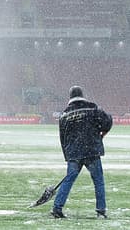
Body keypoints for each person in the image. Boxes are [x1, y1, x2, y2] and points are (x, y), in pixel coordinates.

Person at [34, 85, 112, 219]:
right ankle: (101, 211)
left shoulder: (64, 115)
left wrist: (68, 155)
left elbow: (63, 138)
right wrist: (101, 135)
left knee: (68, 180)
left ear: (70, 97)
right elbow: (108, 121)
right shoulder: (93, 108)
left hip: (74, 153)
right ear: (82, 94)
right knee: (98, 181)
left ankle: (57, 208)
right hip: (92, 150)